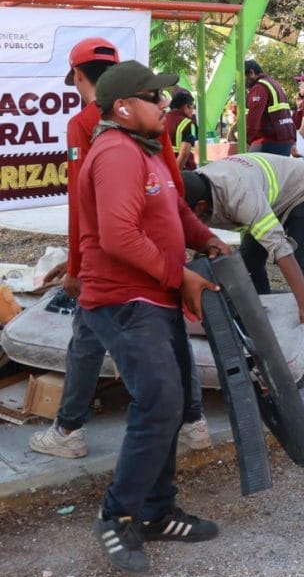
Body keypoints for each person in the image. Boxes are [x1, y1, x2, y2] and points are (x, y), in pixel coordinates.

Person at [78, 60, 230, 573]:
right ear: (123, 107)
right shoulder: (116, 153)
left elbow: (175, 210)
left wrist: (203, 237)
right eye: (154, 97)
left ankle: (157, 512)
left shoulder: (145, 151)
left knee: (171, 398)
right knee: (162, 400)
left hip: (154, 296)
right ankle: (117, 517)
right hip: (124, 300)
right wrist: (180, 275)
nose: (166, 104)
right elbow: (119, 237)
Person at [31, 42, 212, 460]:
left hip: (118, 263)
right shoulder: (151, 118)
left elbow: (85, 205)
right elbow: (174, 186)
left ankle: (70, 429)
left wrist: (76, 265)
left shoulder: (87, 125)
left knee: (89, 333)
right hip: (158, 252)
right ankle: (192, 422)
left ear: (79, 76)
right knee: (171, 335)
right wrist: (188, 239)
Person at [182, 153, 304, 386]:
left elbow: (281, 250)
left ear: (199, 206)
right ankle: (262, 331)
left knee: (298, 261)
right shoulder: (198, 189)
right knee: (249, 262)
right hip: (265, 193)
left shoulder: (239, 197)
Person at [244, 59, 296, 155]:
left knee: (247, 166)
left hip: (270, 140)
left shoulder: (259, 88)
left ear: (251, 73)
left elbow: (253, 120)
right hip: (286, 139)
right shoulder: (272, 83)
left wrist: (244, 141)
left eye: (242, 77)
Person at [165, 89, 198, 170]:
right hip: (183, 171)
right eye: (192, 108)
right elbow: (184, 153)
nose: (192, 112)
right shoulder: (188, 124)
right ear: (186, 106)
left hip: (162, 169)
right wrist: (175, 173)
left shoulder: (161, 119)